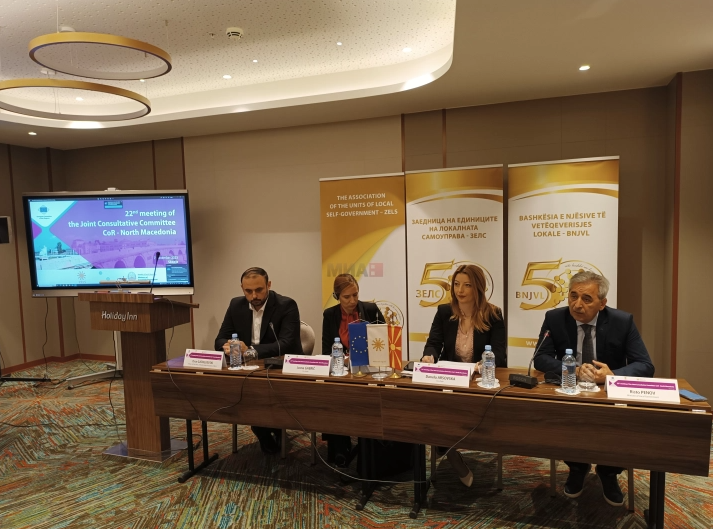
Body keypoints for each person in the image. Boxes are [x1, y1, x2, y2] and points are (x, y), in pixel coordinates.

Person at [533, 270, 654, 506]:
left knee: (616, 424)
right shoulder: (555, 318)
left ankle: (608, 472)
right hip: (571, 389)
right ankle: (577, 467)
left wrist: (612, 375)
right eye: (573, 296)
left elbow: (645, 365)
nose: (577, 304)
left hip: (608, 393)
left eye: (586, 299)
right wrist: (574, 370)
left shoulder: (622, 321)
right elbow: (541, 358)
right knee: (564, 418)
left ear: (602, 303)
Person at [421, 264, 506, 487]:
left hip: (478, 381)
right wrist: (429, 356)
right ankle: (450, 452)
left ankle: (444, 446)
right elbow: (433, 343)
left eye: (467, 285)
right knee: (432, 409)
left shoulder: (493, 314)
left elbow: (499, 352)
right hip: (451, 378)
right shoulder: (444, 312)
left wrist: (484, 363)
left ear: (478, 288)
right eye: (457, 284)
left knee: (455, 415)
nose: (460, 290)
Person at [215, 267, 303, 454]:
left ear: (268, 285)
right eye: (248, 291)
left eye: (259, 290)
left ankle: (273, 427)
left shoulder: (286, 305)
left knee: (263, 394)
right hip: (248, 370)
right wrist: (229, 346)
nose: (254, 296)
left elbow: (286, 344)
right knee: (240, 392)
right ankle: (262, 429)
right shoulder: (236, 305)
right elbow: (220, 339)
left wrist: (250, 350)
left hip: (279, 367)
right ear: (242, 288)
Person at [321, 273, 384, 467]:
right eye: (346, 297)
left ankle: (370, 449)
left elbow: (384, 342)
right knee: (333, 398)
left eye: (355, 295)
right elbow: (326, 349)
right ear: (337, 297)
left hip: (368, 372)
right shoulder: (330, 315)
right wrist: (342, 359)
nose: (352, 301)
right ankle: (340, 449)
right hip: (342, 372)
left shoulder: (371, 310)